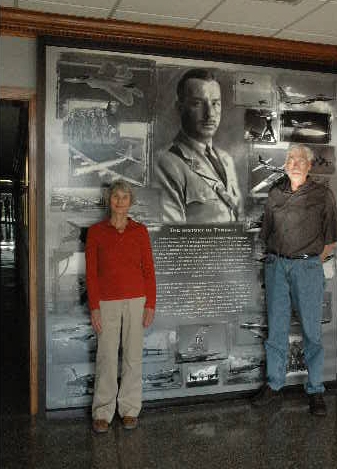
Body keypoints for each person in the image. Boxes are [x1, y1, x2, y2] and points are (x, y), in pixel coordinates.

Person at [252, 144, 337, 416]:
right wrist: (279, 261)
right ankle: (274, 386)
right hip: (277, 267)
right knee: (276, 331)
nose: (294, 163)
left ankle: (315, 390)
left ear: (310, 165)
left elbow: (331, 241)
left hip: (307, 270)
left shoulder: (323, 195)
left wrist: (308, 261)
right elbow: (266, 235)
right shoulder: (275, 193)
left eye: (300, 159)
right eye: (290, 158)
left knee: (312, 334)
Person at [85, 180, 156, 433]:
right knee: (106, 356)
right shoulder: (96, 232)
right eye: (116, 196)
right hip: (106, 302)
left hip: (136, 301)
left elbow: (149, 270)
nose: (120, 201)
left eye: (125, 197)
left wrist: (150, 304)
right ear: (109, 200)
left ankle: (129, 409)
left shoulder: (140, 231)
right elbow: (91, 274)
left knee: (132, 357)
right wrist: (94, 307)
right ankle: (103, 411)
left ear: (130, 201)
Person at [156, 68, 242, 223]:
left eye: (215, 103)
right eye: (197, 103)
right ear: (180, 108)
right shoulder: (166, 163)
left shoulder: (226, 159)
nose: (210, 114)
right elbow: (172, 233)